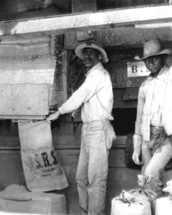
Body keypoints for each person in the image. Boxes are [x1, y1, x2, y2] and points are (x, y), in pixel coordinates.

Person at [47, 41, 116, 215]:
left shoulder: (98, 74)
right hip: (89, 131)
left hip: (98, 131)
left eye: (91, 53)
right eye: (85, 53)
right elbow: (86, 97)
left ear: (99, 56)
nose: (86, 57)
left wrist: (59, 111)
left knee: (96, 180)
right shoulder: (91, 75)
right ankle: (85, 212)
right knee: (81, 178)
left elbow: (82, 94)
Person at [132, 31, 172, 196]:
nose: (150, 63)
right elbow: (139, 119)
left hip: (168, 137)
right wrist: (136, 147)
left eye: (154, 58)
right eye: (147, 60)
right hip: (148, 138)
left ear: (164, 58)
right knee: (148, 186)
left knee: (150, 173)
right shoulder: (145, 86)